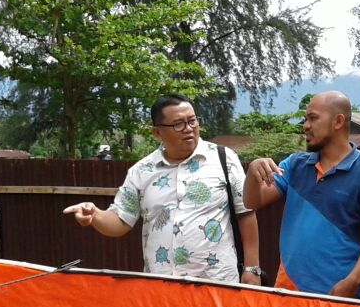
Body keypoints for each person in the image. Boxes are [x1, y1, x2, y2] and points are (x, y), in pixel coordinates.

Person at [64, 95, 263, 285]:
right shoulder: (142, 171)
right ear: (157, 132)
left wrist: (252, 268)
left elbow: (245, 212)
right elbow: (120, 221)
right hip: (161, 286)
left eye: (193, 121)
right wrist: (95, 215)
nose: (189, 129)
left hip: (217, 282)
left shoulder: (223, 158)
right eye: (178, 124)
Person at [244, 90, 360, 298]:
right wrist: (252, 172)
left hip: (340, 296)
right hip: (289, 292)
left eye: (312, 118)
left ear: (338, 121)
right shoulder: (295, 165)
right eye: (305, 119)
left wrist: (352, 282)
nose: (305, 126)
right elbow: (252, 202)